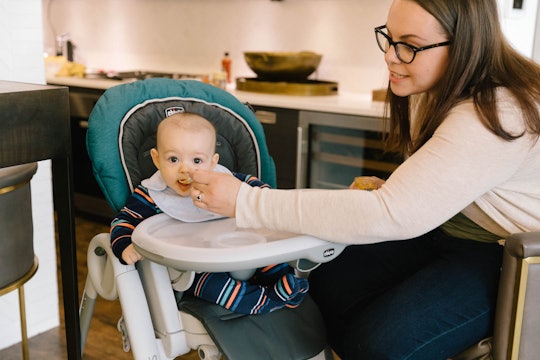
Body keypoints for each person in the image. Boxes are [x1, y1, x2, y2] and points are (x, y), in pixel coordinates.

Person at [188, 0, 540, 358]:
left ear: (465, 44)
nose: (390, 55)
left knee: (379, 347)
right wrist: (409, 190)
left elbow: (390, 214)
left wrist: (245, 201)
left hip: (510, 256)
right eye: (389, 38)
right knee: (328, 285)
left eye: (409, 45)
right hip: (453, 228)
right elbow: (443, 184)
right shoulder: (434, 88)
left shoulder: (497, 112)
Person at [110, 112, 308, 315]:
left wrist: (265, 198)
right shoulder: (152, 194)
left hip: (238, 248)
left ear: (213, 162)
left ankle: (290, 291)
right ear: (157, 159)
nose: (185, 169)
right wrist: (124, 245)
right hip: (192, 267)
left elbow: (253, 188)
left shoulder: (221, 180)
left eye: (197, 160)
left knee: (270, 258)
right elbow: (124, 220)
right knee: (213, 286)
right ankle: (261, 301)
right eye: (173, 159)